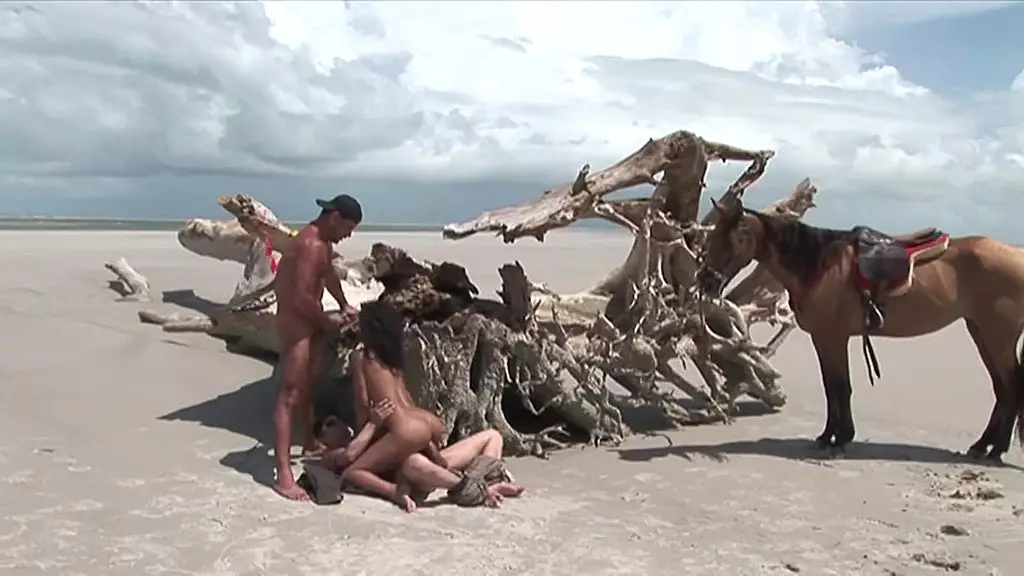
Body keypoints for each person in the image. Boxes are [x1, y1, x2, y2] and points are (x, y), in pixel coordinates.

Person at [272, 194, 363, 501]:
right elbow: (300, 299)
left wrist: (343, 305)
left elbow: (328, 274)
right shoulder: (309, 245)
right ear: (334, 217)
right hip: (296, 323)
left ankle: (310, 441)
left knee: (309, 387)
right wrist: (326, 322)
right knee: (290, 394)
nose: (348, 235)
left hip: (310, 319)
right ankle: (283, 474)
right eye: (348, 228)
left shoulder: (323, 244)